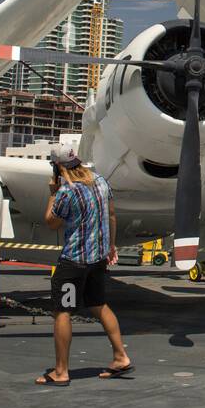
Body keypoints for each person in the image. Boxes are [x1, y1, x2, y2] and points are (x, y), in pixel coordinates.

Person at [36, 145, 132, 386]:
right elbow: (111, 215)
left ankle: (61, 371)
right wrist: (110, 246)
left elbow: (51, 222)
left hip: (74, 262)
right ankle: (120, 356)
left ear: (58, 166)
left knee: (63, 311)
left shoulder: (66, 192)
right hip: (98, 258)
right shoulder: (100, 181)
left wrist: (52, 193)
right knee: (99, 304)